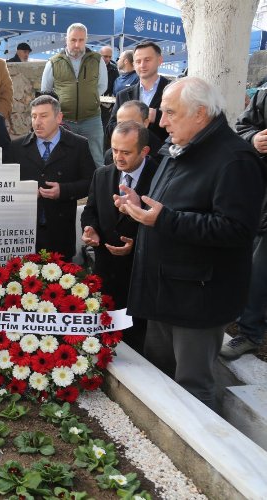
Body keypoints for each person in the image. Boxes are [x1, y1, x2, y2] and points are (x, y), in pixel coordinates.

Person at [116, 77, 265, 410]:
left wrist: (163, 219)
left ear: (200, 113)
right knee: (159, 376)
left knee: (192, 388)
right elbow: (170, 203)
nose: (162, 122)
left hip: (198, 297)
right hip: (163, 288)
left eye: (170, 112)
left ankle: (200, 445)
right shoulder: (179, 146)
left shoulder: (235, 160)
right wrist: (140, 205)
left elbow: (237, 230)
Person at [81, 121, 159, 353]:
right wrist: (90, 229)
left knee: (136, 343)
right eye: (114, 150)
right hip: (106, 270)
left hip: (140, 275)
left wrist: (136, 245)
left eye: (126, 152)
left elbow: (164, 221)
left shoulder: (160, 177)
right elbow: (90, 211)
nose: (118, 157)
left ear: (144, 151)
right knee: (106, 335)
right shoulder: (102, 174)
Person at [3, 94, 94, 259]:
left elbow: (90, 183)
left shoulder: (78, 145)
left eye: (43, 116)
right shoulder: (17, 147)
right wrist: (25, 192)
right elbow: (6, 185)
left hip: (61, 232)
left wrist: (63, 191)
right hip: (26, 232)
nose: (37, 122)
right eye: (34, 116)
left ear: (59, 117)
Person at [219, 88, 267, 359]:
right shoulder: (264, 97)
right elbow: (242, 128)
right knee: (256, 271)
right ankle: (249, 332)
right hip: (262, 204)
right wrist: (254, 139)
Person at [41, 23, 107, 168]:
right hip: (64, 120)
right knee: (63, 159)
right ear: (66, 39)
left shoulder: (97, 60)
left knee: (97, 159)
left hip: (92, 119)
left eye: (81, 40)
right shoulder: (53, 62)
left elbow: (102, 86)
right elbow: (46, 91)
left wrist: (89, 99)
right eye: (73, 40)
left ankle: (97, 183)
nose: (77, 44)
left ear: (86, 40)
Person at [107, 41, 170, 142]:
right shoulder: (123, 95)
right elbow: (110, 128)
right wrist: (128, 122)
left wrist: (157, 116)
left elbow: (182, 123)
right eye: (138, 61)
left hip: (162, 150)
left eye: (147, 60)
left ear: (159, 60)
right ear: (133, 64)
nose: (142, 65)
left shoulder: (173, 90)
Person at [102, 100, 163, 165]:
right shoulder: (109, 156)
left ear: (145, 123)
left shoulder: (159, 154)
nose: (124, 128)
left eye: (130, 124)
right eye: (120, 124)